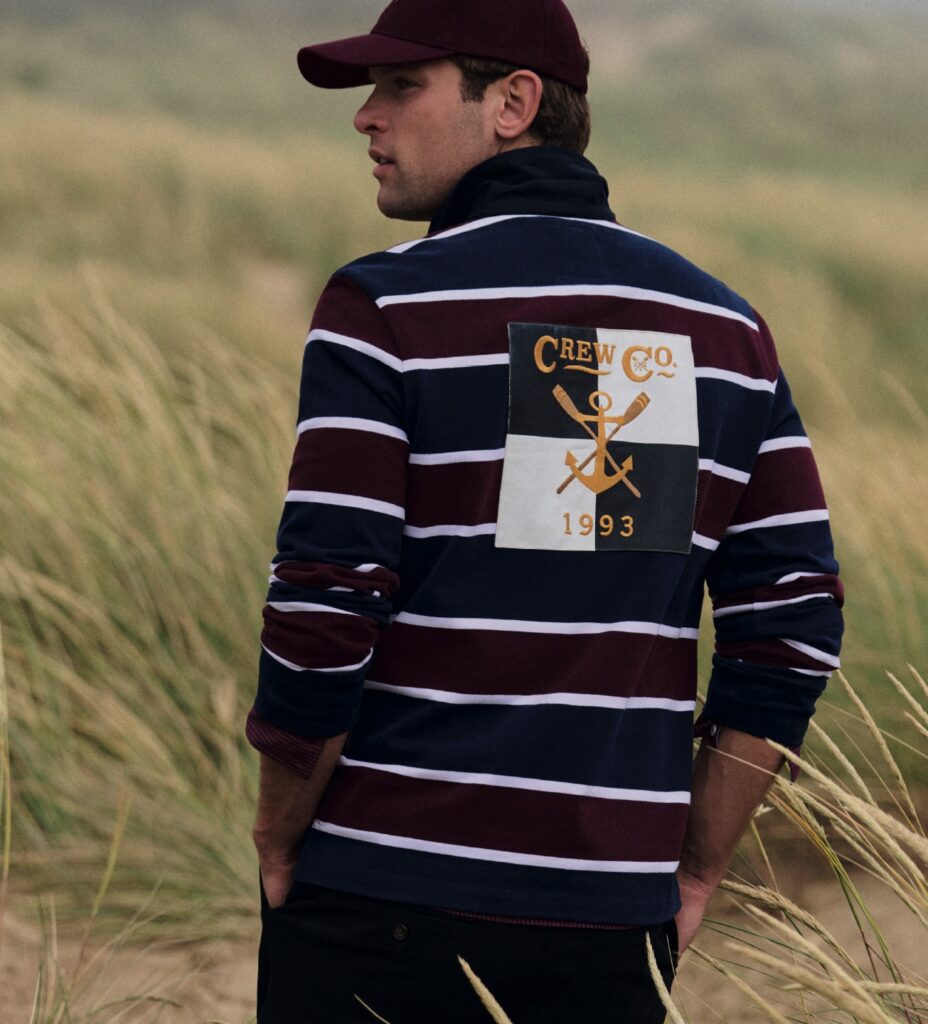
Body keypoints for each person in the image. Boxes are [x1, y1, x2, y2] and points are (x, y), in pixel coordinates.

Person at [246, 0, 845, 1020]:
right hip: (613, 925)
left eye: (402, 85)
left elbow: (327, 600)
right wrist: (692, 866)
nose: (366, 116)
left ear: (513, 103)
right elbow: (791, 623)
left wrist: (277, 830)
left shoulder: (383, 307)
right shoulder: (721, 329)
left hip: (387, 897)